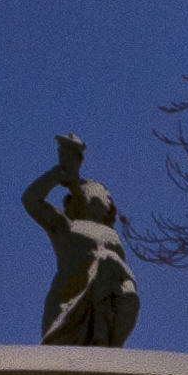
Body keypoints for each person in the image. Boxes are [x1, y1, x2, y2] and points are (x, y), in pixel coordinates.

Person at [25, 135, 142, 347]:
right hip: (68, 302)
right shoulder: (66, 225)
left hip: (105, 305)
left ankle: (105, 341)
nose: (105, 197)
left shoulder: (111, 235)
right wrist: (57, 175)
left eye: (104, 195)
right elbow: (31, 200)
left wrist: (127, 298)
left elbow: (120, 278)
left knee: (111, 263)